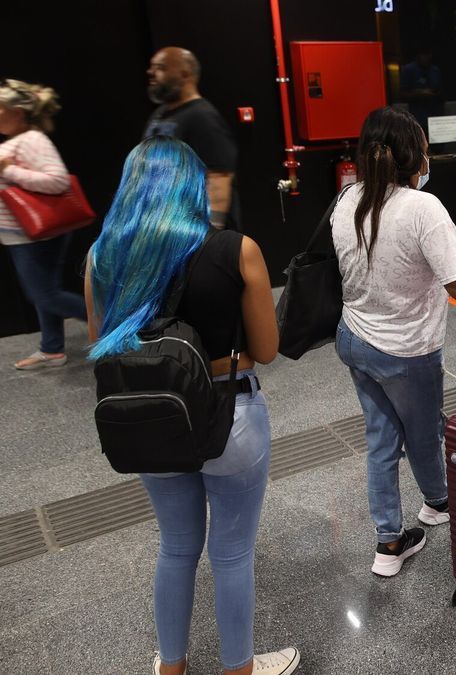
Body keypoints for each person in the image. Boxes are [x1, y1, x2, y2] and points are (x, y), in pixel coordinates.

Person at [85, 138, 295, 675]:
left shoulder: (101, 259)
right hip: (231, 417)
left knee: (177, 546)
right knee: (231, 554)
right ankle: (239, 669)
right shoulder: (236, 250)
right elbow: (267, 351)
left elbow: (103, 349)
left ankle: (171, 667)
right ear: (192, 185)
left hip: (151, 420)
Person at [333, 106, 456, 577]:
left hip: (354, 338)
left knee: (382, 439)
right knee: (423, 433)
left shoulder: (347, 198)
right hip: (405, 350)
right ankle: (439, 503)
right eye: (424, 149)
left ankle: (388, 542)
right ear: (414, 157)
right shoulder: (422, 208)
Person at [0, 79, 87, 371]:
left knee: (45, 294)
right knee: (46, 292)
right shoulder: (16, 142)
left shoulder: (32, 140)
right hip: (21, 235)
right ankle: (52, 349)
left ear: (19, 113)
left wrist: (9, 171)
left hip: (34, 236)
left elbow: (58, 180)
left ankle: (119, 329)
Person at [144, 47, 239, 230]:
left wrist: (212, 231)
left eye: (160, 67)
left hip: (193, 228)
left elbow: (219, 177)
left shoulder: (203, 117)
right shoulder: (160, 114)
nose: (151, 73)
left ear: (185, 74)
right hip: (165, 223)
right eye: (151, 67)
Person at [398, 47, 444, 132]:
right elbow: (402, 93)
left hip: (434, 115)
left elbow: (440, 91)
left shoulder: (435, 70)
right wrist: (419, 93)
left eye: (428, 54)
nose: (426, 57)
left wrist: (433, 93)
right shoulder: (409, 69)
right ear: (418, 55)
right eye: (424, 54)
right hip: (416, 115)